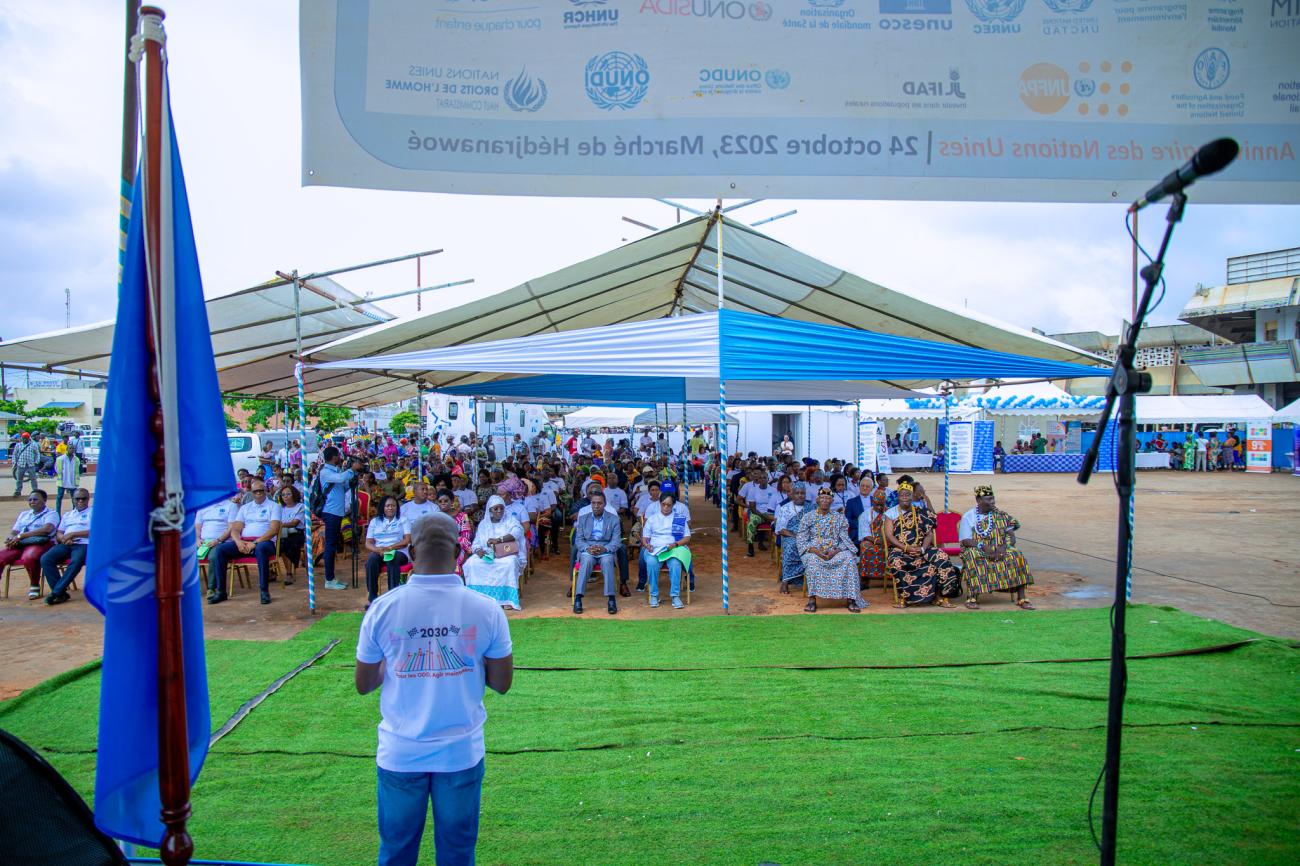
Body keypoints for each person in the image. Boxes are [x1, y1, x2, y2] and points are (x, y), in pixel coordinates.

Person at [354, 511, 513, 866]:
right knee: (457, 853)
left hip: (400, 752)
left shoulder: (382, 609)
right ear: (459, 551)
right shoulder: (487, 610)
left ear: (409, 550)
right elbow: (501, 683)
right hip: (460, 751)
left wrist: (399, 661)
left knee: (396, 852)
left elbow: (364, 683)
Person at [883, 482, 959, 608]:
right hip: (900, 549)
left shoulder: (921, 512)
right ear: (898, 497)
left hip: (922, 547)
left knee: (941, 557)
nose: (905, 497)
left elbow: (929, 534)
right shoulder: (890, 513)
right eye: (902, 495)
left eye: (908, 495)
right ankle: (904, 599)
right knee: (896, 561)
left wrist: (922, 548)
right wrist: (906, 548)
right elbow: (889, 536)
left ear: (912, 496)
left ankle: (941, 596)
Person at [958, 485, 1034, 610]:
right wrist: (984, 547)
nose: (992, 502)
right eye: (988, 499)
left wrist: (1004, 547)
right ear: (978, 501)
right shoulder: (969, 516)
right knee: (973, 556)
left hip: (1000, 547)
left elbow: (1011, 537)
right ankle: (972, 596)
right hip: (977, 548)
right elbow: (966, 541)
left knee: (1017, 556)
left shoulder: (1001, 515)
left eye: (993, 498)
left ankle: (1022, 598)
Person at [210, 480, 282, 605]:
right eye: (255, 491)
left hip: (265, 542)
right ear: (251, 493)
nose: (258, 493)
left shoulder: (274, 506)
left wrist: (255, 542)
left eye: (261, 491)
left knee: (261, 549)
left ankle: (264, 591)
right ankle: (220, 591)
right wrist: (238, 542)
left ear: (265, 491)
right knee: (220, 550)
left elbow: (274, 530)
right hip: (244, 542)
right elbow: (236, 528)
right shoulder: (245, 508)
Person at [796, 487, 866, 613]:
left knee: (849, 559)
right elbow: (801, 539)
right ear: (817, 500)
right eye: (822, 498)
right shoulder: (808, 517)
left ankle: (851, 600)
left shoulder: (839, 518)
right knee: (812, 561)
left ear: (832, 501)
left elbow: (845, 539)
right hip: (814, 551)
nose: (825, 501)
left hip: (835, 550)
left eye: (828, 498)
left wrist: (835, 551)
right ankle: (812, 600)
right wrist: (816, 551)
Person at [463, 495, 524, 610]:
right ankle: (477, 598)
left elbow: (517, 532)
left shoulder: (510, 520)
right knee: (471, 563)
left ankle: (507, 599)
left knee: (509, 563)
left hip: (505, 553)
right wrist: (479, 550)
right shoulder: (483, 524)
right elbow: (476, 542)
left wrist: (499, 540)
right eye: (495, 509)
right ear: (490, 510)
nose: (499, 511)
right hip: (487, 553)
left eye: (501, 508)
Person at [572, 490, 623, 615]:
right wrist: (587, 548)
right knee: (587, 561)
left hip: (606, 549)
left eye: (599, 503)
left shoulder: (614, 519)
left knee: (607, 561)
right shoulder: (583, 518)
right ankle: (578, 598)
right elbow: (579, 539)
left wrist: (605, 549)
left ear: (605, 504)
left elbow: (616, 541)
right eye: (593, 503)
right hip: (588, 548)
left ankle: (611, 599)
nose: (596, 506)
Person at [1, 490, 57, 599]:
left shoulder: (51, 513)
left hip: (40, 543)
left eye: (35, 499)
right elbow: (15, 531)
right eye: (30, 500)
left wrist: (22, 536)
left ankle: (34, 584)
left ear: (44, 500)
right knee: (1, 556)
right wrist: (11, 538)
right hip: (21, 543)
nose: (32, 502)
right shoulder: (24, 514)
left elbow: (47, 529)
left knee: (29, 557)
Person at [40, 488, 92, 605]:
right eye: (77, 499)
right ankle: (61, 592)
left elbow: (97, 531)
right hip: (66, 543)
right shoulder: (68, 515)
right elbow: (59, 532)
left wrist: (73, 534)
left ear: (88, 499)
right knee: (46, 559)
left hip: (84, 543)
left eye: (83, 499)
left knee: (77, 561)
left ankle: (55, 593)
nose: (80, 501)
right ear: (72, 499)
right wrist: (63, 538)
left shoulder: (94, 512)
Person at [641, 491, 690, 610]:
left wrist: (676, 544)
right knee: (652, 563)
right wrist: (647, 545)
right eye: (663, 504)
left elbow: (687, 537)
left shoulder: (679, 518)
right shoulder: (652, 519)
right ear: (659, 504)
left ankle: (675, 595)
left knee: (675, 564)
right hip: (655, 549)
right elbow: (645, 538)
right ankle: (654, 594)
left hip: (674, 549)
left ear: (673, 505)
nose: (666, 507)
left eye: (669, 505)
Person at [318, 446, 357, 591]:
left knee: (333, 544)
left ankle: (332, 578)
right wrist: (351, 469)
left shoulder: (336, 471)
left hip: (337, 512)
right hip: (331, 512)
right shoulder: (325, 472)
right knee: (330, 545)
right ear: (334, 457)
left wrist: (352, 479)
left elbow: (343, 486)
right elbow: (340, 479)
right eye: (338, 456)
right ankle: (329, 579)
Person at [365, 495, 412, 606]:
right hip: (380, 551)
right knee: (371, 560)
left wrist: (390, 548)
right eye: (387, 506)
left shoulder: (403, 520)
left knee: (392, 558)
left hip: (399, 551)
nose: (390, 508)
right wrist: (378, 550)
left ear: (397, 507)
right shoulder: (375, 522)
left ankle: (393, 596)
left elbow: (406, 540)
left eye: (393, 505)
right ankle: (373, 597)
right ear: (383, 507)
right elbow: (368, 543)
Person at [774, 483, 814, 593]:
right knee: (792, 546)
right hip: (791, 536)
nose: (800, 495)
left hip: (809, 536)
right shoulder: (785, 508)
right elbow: (780, 529)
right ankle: (785, 582)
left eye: (802, 493)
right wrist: (796, 536)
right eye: (797, 493)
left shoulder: (812, 507)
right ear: (792, 494)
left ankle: (813, 581)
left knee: (817, 548)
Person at [434, 488, 474, 575]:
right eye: (440, 501)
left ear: (452, 502)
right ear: (437, 503)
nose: (443, 503)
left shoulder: (462, 516)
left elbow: (466, 537)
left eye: (446, 501)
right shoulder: (435, 517)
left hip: (458, 547)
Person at [743, 470, 781, 558]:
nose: (762, 479)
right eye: (760, 478)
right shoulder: (753, 490)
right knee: (751, 523)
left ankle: (779, 546)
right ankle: (750, 547)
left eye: (764, 478)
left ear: (768, 479)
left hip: (770, 514)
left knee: (780, 523)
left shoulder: (774, 490)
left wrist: (770, 516)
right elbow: (752, 507)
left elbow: (776, 505)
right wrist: (763, 516)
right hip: (757, 513)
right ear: (758, 479)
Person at [857, 488, 889, 591]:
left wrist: (887, 541)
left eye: (882, 504)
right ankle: (864, 580)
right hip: (873, 541)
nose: (880, 507)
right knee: (865, 546)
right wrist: (877, 541)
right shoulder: (865, 515)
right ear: (872, 502)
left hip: (889, 541)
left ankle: (895, 578)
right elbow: (865, 535)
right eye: (877, 504)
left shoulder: (890, 513)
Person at [277, 485, 307, 584]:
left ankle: (289, 574)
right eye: (283, 494)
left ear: (294, 494)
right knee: (276, 543)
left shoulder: (300, 506)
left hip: (297, 533)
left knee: (286, 544)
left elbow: (295, 523)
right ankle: (271, 571)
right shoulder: (280, 508)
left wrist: (281, 525)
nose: (285, 496)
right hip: (282, 534)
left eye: (288, 494)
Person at [9, 431, 41, 497]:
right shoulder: (18, 445)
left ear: (29, 438)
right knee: (19, 479)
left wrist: (36, 461)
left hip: (30, 464)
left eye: (26, 438)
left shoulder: (33, 445)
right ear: (21, 438)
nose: (25, 439)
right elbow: (14, 454)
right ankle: (18, 491)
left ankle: (35, 491)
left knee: (33, 479)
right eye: (23, 438)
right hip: (21, 464)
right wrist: (14, 462)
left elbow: (37, 454)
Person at [53, 446, 81, 515]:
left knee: (74, 498)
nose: (72, 449)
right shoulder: (60, 459)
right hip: (62, 481)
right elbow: (56, 468)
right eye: (70, 448)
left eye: (73, 448)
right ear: (67, 449)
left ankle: (75, 513)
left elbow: (78, 470)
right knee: (59, 497)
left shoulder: (76, 459)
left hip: (72, 481)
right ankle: (57, 513)